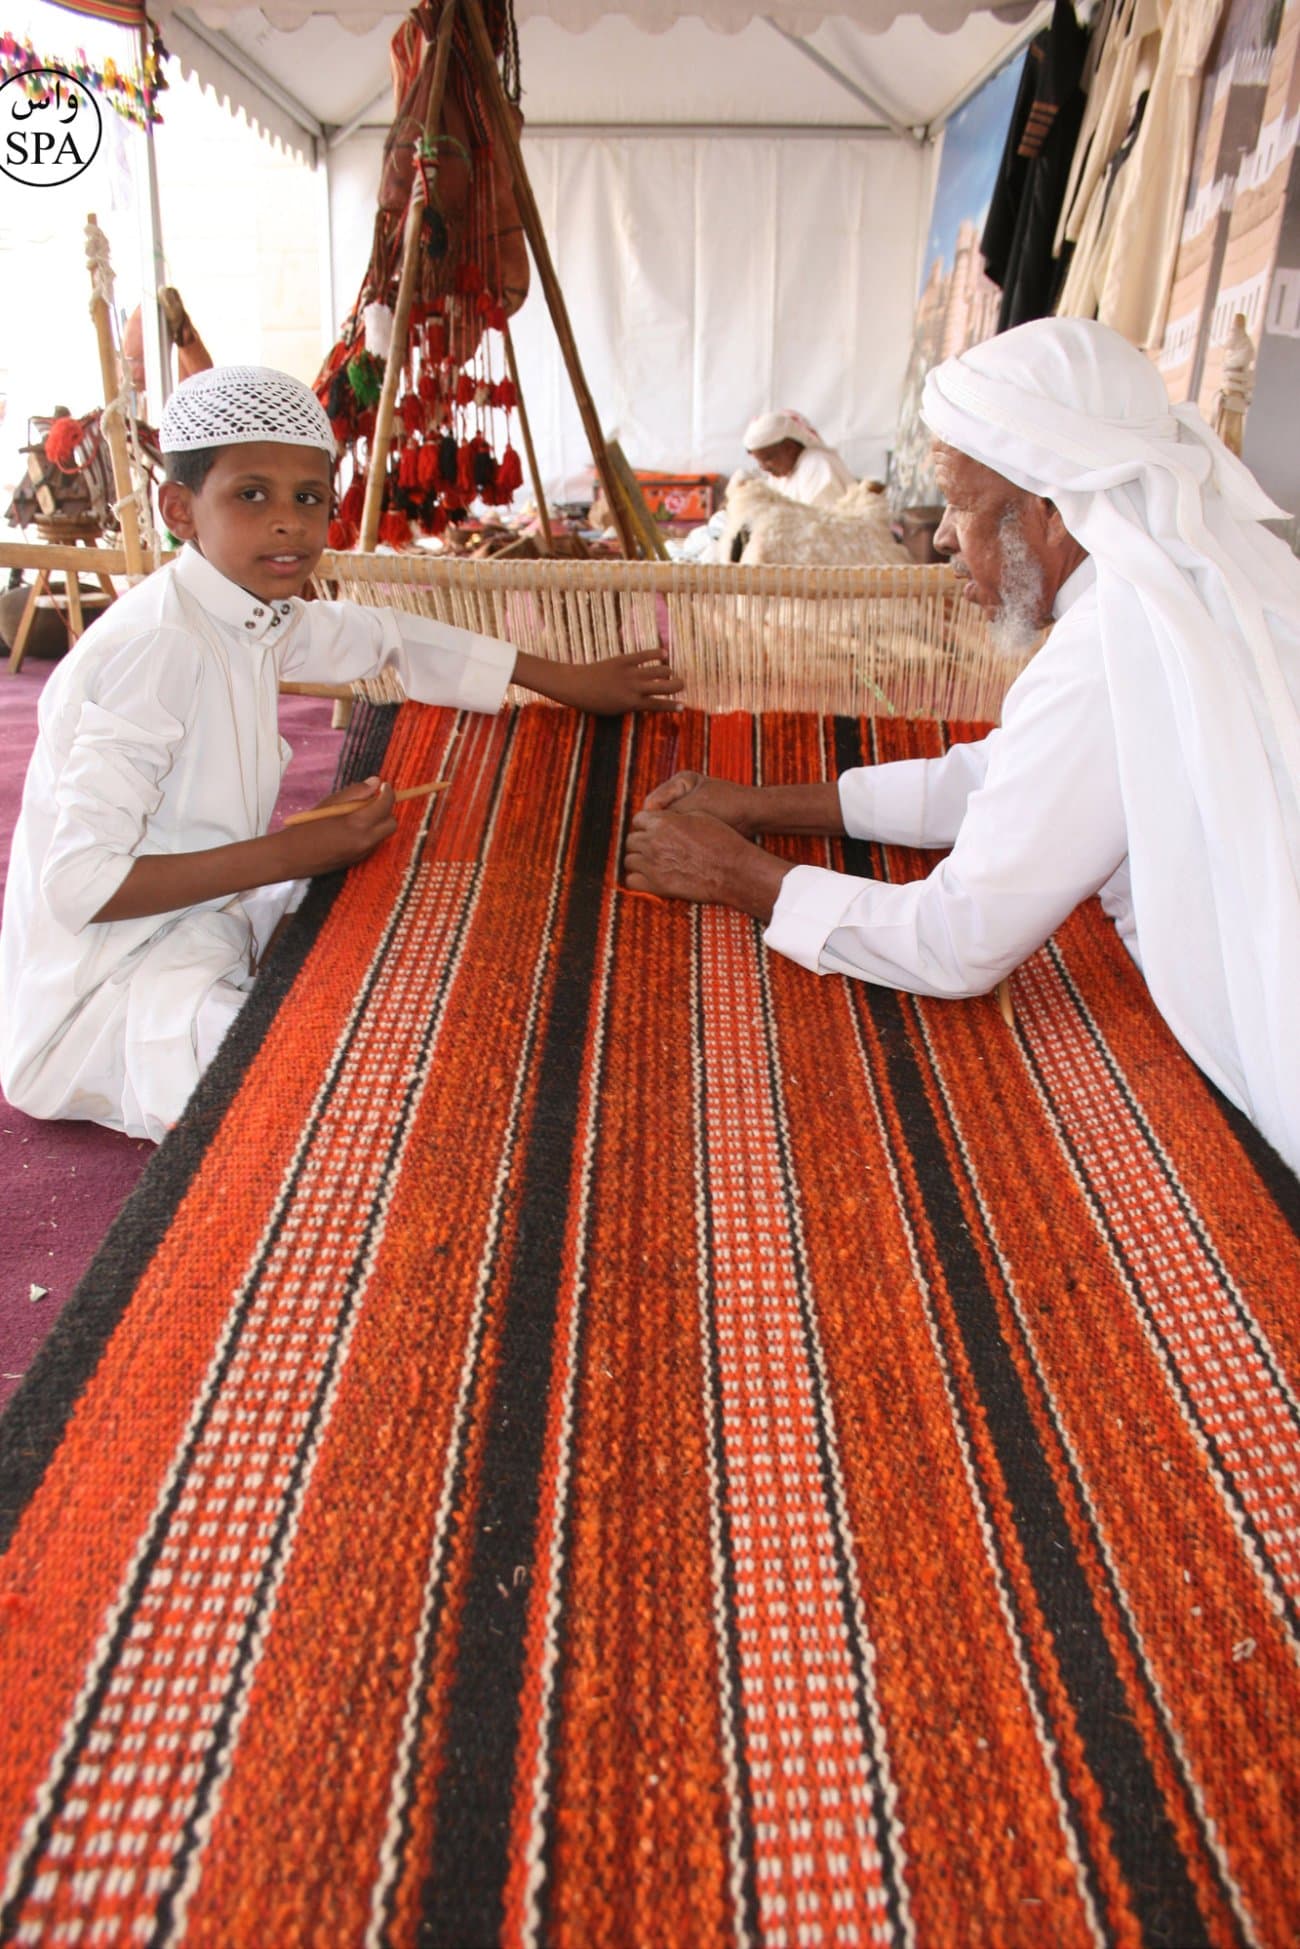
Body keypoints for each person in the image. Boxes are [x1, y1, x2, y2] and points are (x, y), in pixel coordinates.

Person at [625, 317, 1300, 1177]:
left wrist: (732, 873)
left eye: (964, 505)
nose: (942, 536)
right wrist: (755, 806)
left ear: (1052, 512)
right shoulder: (1160, 596)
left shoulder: (1114, 642)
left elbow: (956, 941)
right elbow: (996, 776)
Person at [1, 365, 682, 1142]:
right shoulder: (160, 643)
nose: (289, 522)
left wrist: (563, 680)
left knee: (389, 951)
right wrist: (289, 852)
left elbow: (387, 636)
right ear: (180, 509)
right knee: (330, 1074)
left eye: (309, 497)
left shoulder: (254, 610)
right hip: (103, 995)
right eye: (251, 495)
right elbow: (80, 889)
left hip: (194, 921)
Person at [742, 410, 856, 510]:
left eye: (767, 459)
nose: (763, 467)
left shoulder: (817, 464)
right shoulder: (782, 473)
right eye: (759, 461)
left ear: (789, 448)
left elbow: (822, 525)